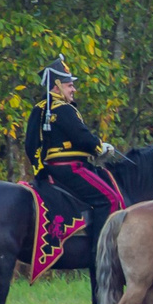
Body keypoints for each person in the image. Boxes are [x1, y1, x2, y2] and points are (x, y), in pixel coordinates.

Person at [22, 55, 124, 235]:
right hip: (71, 169)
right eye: (70, 85)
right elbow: (82, 138)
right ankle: (99, 256)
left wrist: (39, 170)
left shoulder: (39, 108)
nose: (73, 89)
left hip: (49, 170)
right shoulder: (64, 108)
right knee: (109, 199)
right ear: (57, 86)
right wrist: (100, 148)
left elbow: (31, 144)